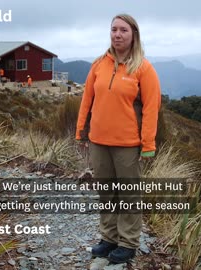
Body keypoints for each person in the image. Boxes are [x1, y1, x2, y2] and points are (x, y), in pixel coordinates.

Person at [75, 14, 161, 264]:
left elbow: (151, 109)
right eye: (114, 29)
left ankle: (128, 242)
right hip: (99, 141)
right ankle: (109, 238)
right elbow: (86, 101)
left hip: (127, 144)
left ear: (134, 34)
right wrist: (81, 131)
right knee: (106, 191)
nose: (117, 34)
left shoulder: (143, 68)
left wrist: (148, 144)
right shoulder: (99, 64)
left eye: (123, 30)